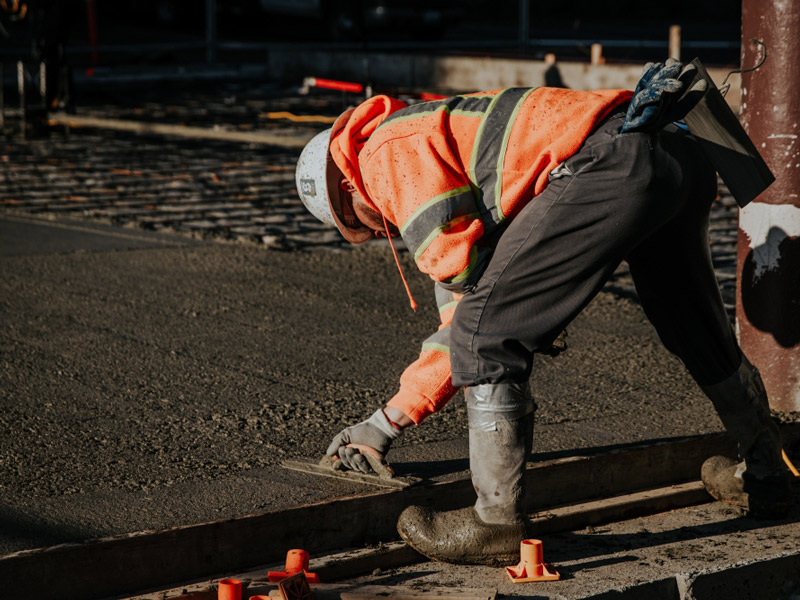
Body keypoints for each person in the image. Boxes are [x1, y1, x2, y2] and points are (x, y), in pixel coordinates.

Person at [294, 59, 794, 566]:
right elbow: (471, 298)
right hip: (675, 150)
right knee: (694, 325)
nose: (381, 232)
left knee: (486, 336)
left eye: (364, 225)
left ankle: (495, 522)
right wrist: (388, 422)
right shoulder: (432, 133)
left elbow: (472, 320)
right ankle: (767, 469)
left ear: (348, 188)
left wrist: (384, 423)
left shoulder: (386, 159)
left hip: (613, 160)